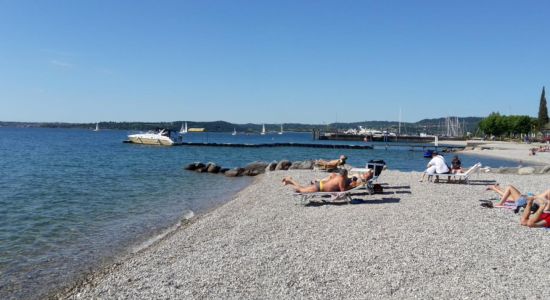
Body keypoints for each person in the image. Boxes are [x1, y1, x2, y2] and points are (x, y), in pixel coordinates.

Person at [283, 169, 349, 193]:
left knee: (302, 188)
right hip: (319, 187)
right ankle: (289, 180)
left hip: (320, 185)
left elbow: (332, 176)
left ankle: (289, 181)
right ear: (345, 175)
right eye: (347, 175)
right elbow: (342, 191)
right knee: (301, 190)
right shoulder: (341, 180)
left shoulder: (337, 176)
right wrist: (349, 188)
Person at [485, 184, 550, 207]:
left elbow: (536, 199)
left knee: (509, 187)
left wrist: (532, 196)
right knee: (507, 196)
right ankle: (495, 188)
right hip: (524, 200)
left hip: (523, 201)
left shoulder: (545, 200)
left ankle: (500, 203)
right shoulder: (546, 200)